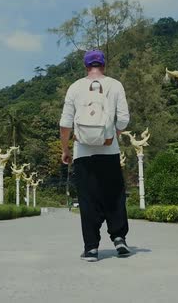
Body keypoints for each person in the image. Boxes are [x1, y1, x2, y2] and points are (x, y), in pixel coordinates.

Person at [59, 49, 131, 262]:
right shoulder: (115, 85)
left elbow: (65, 123)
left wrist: (65, 149)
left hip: (83, 154)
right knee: (115, 195)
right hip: (109, 152)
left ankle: (91, 248)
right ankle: (119, 238)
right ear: (104, 65)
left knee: (88, 199)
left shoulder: (75, 87)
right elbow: (124, 119)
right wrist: (112, 135)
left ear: (86, 66)